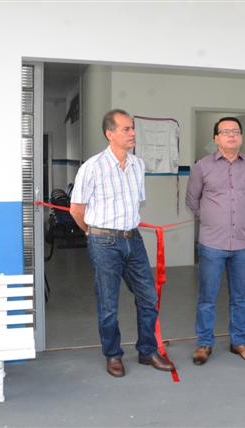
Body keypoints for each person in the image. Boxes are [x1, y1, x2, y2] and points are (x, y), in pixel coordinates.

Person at [69, 109, 174, 378]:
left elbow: (135, 203)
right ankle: (113, 355)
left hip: (133, 239)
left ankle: (147, 351)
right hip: (104, 242)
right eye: (126, 129)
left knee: (148, 297)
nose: (133, 133)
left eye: (132, 128)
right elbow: (76, 209)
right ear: (110, 134)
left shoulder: (138, 165)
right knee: (108, 303)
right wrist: (92, 233)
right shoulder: (92, 167)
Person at [185, 117, 245, 365]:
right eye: (226, 131)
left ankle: (238, 341)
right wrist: (211, 219)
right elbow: (192, 200)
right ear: (216, 138)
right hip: (212, 244)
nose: (231, 135)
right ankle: (204, 343)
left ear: (241, 137)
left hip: (242, 244)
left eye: (236, 131)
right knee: (207, 297)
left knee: (240, 297)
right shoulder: (202, 167)